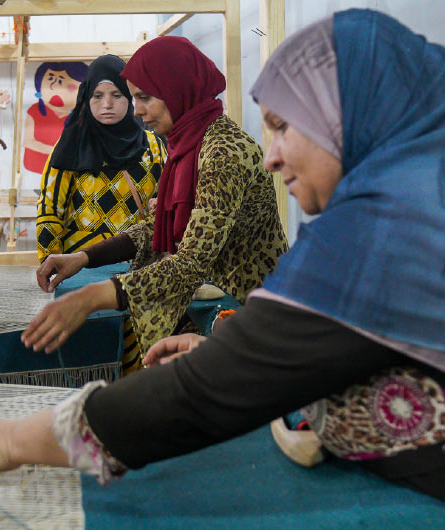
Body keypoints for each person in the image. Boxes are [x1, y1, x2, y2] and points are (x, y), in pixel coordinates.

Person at [0, 11, 445, 529]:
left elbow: (204, 394)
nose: (273, 156)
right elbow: (387, 343)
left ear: (350, 120)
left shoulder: (384, 234)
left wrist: (14, 439)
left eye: (285, 126)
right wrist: (236, 344)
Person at [27, 37, 287, 370]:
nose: (135, 110)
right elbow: (156, 228)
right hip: (218, 305)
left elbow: (190, 262)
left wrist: (93, 297)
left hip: (253, 313)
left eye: (143, 97)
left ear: (176, 88)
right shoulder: (187, 145)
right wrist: (83, 257)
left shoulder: (222, 153)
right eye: (133, 97)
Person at [35, 54, 166, 373]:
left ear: (130, 97)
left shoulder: (153, 145)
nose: (107, 104)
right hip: (80, 277)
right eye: (97, 96)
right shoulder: (68, 147)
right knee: (90, 365)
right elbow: (50, 215)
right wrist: (53, 283)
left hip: (139, 278)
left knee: (139, 368)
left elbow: (165, 204)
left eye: (117, 95)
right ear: (86, 97)